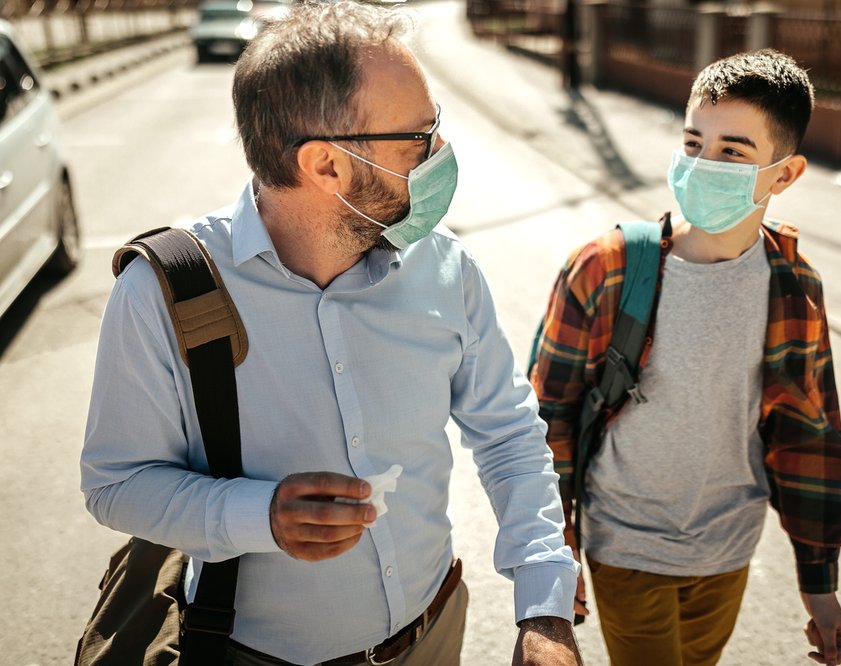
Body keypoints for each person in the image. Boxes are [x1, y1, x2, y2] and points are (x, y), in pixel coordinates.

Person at [80, 2, 582, 664]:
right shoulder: (162, 292)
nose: (440, 154)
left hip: (433, 631)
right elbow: (116, 483)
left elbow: (509, 435)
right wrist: (259, 515)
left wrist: (544, 609)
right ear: (325, 165)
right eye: (418, 137)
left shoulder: (446, 267)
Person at [530, 49, 841, 666]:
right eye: (693, 142)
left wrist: (820, 584)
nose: (705, 163)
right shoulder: (606, 268)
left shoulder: (793, 284)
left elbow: (810, 434)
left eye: (734, 151)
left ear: (783, 176)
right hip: (627, 543)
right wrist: (554, 556)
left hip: (729, 546)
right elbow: (547, 424)